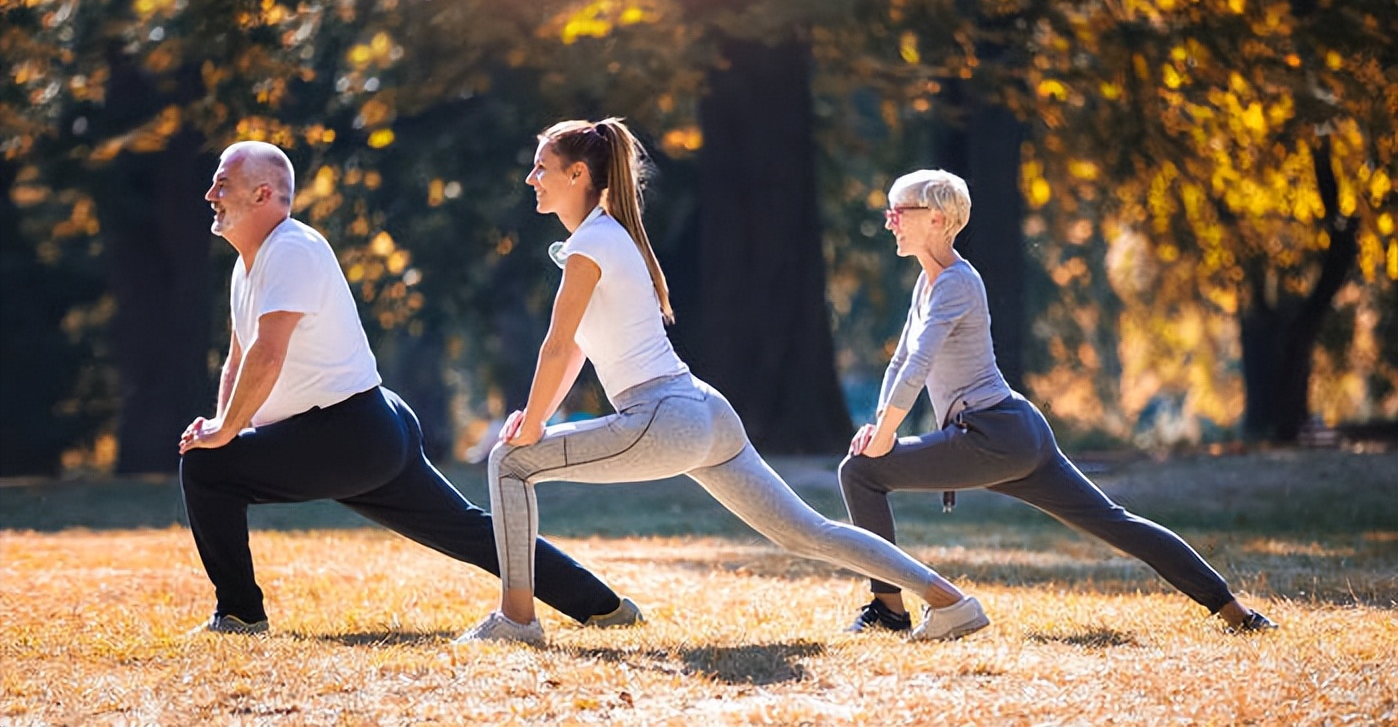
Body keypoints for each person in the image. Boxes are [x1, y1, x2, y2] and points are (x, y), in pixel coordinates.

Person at [457, 118, 987, 647]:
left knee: (510, 462)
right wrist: (538, 419)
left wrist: (529, 428)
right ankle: (950, 603)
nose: (531, 179)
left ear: (576, 174)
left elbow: (554, 345)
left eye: (541, 168)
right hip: (705, 411)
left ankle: (517, 620)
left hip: (665, 417)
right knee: (807, 532)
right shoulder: (609, 236)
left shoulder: (590, 244)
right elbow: (574, 349)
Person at [178, 141, 640, 636]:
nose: (210, 195)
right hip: (365, 428)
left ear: (262, 194)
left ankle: (240, 613)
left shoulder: (291, 249)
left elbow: (267, 354)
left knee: (207, 468)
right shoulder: (246, 267)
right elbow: (240, 358)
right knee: (466, 530)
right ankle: (605, 607)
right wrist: (223, 421)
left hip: (348, 434)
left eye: (222, 185)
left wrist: (225, 434)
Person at [838, 168, 1277, 634]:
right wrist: (877, 425)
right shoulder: (927, 284)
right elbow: (900, 361)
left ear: (938, 219)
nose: (890, 221)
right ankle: (1237, 614)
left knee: (861, 472)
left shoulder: (956, 283)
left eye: (899, 211)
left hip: (993, 436)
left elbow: (919, 365)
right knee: (1116, 523)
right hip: (1014, 430)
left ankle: (888, 611)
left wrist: (885, 436)